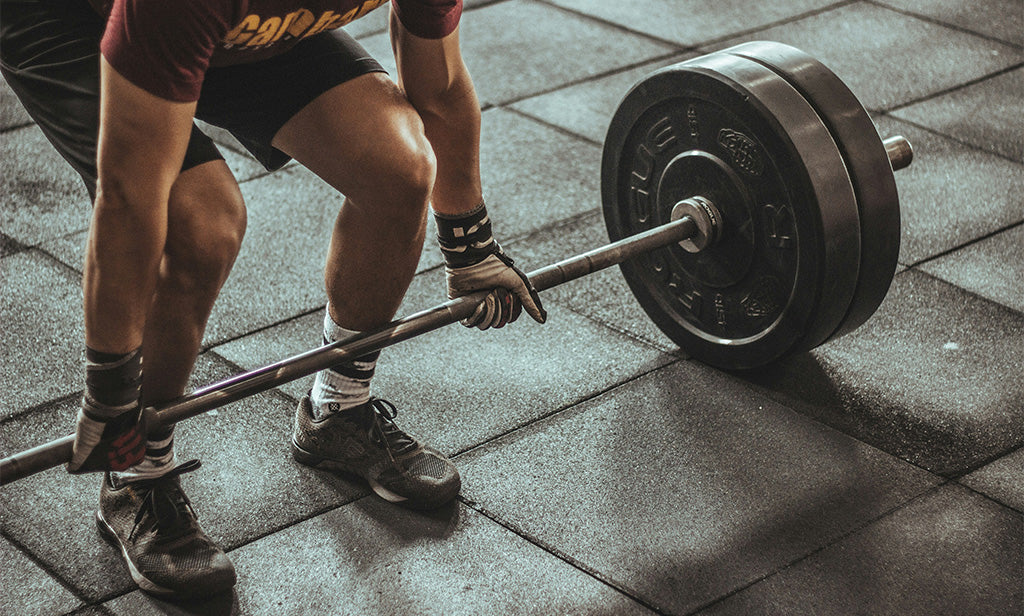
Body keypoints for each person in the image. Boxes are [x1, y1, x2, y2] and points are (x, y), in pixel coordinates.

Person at [0, 0, 546, 600]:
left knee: (399, 167)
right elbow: (131, 201)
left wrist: (471, 247)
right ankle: (136, 474)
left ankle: (338, 409)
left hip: (243, 28)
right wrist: (110, 390)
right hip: (72, 20)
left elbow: (436, 89)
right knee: (199, 224)